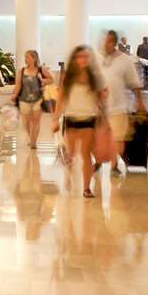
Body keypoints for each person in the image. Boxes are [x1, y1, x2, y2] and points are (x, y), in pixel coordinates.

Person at [56, 44, 108, 197]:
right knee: (72, 154)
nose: (83, 60)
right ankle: (69, 173)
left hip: (89, 119)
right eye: (80, 57)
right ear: (74, 59)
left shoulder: (94, 77)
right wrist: (55, 118)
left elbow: (100, 98)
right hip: (71, 118)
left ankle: (86, 188)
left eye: (86, 57)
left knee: (85, 154)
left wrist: (103, 101)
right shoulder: (68, 77)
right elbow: (61, 98)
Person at [99, 30, 144, 176]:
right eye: (103, 41)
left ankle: (114, 165)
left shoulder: (124, 60)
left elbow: (135, 83)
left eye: (108, 41)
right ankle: (99, 161)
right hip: (99, 108)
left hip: (118, 107)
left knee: (118, 138)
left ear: (114, 42)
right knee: (99, 137)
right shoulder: (97, 59)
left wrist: (140, 103)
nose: (105, 44)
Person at [11, 49, 51, 149]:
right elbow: (18, 84)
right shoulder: (22, 71)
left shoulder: (41, 70)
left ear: (34, 58)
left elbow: (51, 79)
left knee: (36, 121)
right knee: (26, 122)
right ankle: (31, 138)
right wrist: (14, 95)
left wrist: (42, 80)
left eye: (28, 57)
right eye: (25, 57)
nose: (26, 59)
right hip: (24, 99)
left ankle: (33, 142)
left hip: (39, 99)